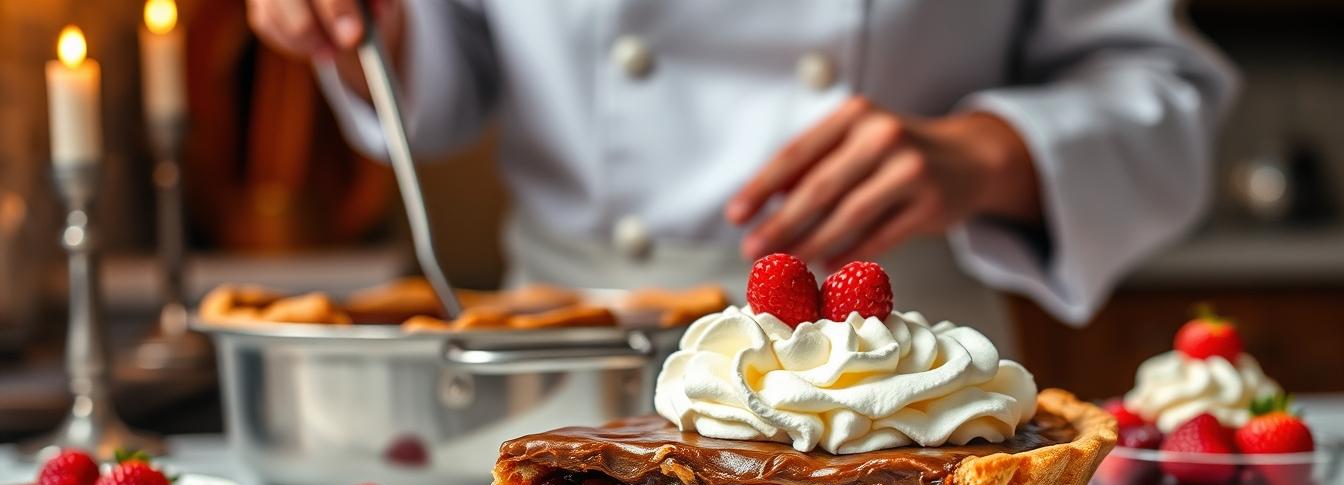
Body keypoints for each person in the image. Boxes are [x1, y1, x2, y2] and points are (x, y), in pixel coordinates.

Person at [246, 0, 1235, 347]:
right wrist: (356, 27)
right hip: (574, 352)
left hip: (897, 359)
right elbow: (445, 72)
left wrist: (985, 154)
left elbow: (1166, 91)